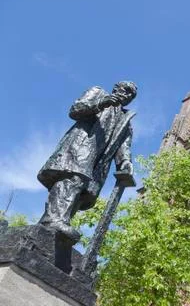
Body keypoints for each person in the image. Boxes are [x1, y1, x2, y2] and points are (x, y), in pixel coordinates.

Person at [37, 81, 137, 239]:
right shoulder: (99, 93)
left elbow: (123, 146)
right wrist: (101, 103)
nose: (128, 95)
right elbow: (76, 110)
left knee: (83, 192)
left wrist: (125, 161)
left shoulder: (126, 120)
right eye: (126, 90)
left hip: (98, 164)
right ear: (116, 88)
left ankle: (57, 224)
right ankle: (53, 220)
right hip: (80, 148)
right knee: (72, 179)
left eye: (132, 95)